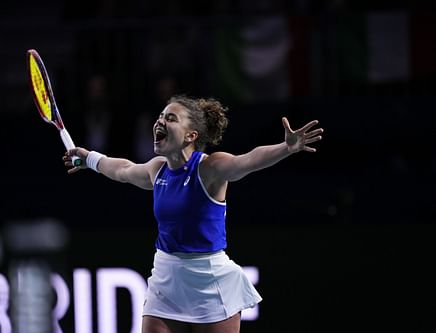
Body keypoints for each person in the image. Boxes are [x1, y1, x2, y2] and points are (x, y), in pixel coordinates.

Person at [63, 95, 323, 333]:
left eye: (170, 118)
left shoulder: (210, 168)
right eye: (160, 116)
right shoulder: (157, 170)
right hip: (167, 277)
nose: (160, 121)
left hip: (209, 280)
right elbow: (123, 169)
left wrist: (285, 148)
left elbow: (249, 160)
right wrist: (90, 159)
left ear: (190, 135)